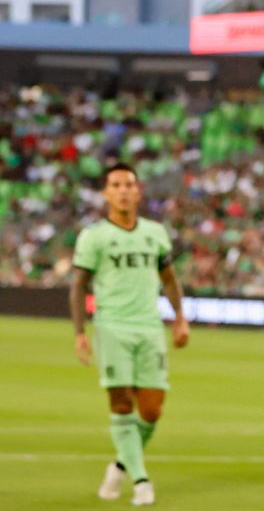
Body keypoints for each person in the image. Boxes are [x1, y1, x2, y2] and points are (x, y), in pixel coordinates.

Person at [70, 163, 190, 507]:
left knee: (152, 410)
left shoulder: (154, 232)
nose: (123, 190)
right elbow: (78, 286)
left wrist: (180, 318)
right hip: (111, 328)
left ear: (138, 192)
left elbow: (169, 278)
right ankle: (141, 481)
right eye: (116, 185)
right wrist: (80, 333)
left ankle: (120, 465)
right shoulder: (93, 236)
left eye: (129, 184)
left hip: (150, 327)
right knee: (121, 403)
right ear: (107, 193)